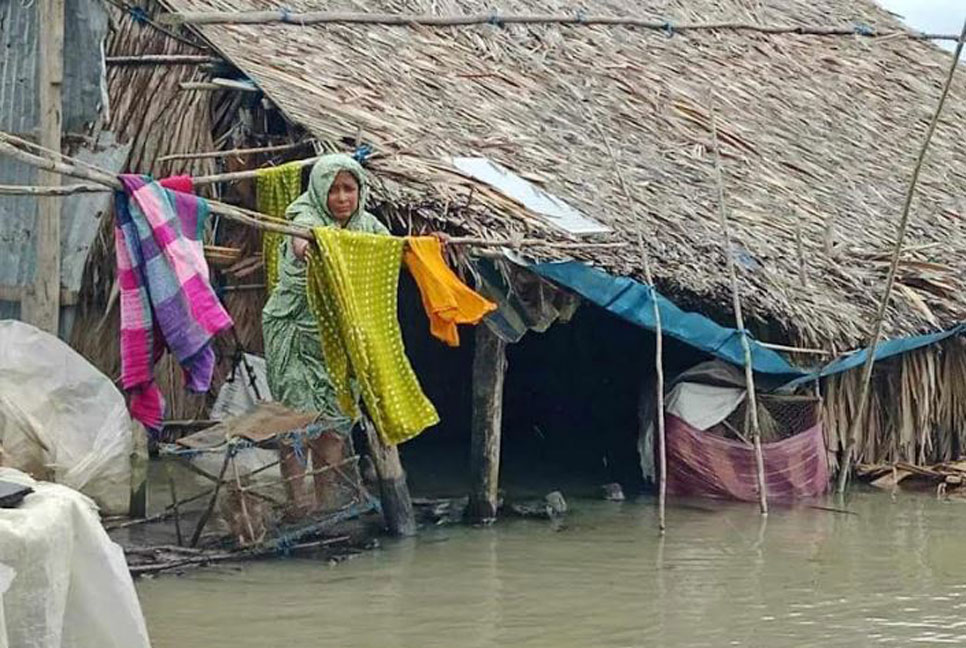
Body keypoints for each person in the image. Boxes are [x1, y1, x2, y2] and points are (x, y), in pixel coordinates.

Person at [262, 154, 389, 515]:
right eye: (333, 190)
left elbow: (400, 250)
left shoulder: (369, 227)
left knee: (333, 423)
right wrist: (314, 245)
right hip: (294, 331)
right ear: (319, 190)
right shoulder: (305, 215)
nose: (342, 198)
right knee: (295, 422)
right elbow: (302, 243)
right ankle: (297, 502)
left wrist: (431, 245)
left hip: (338, 339)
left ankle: (322, 501)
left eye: (349, 189)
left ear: (360, 191)